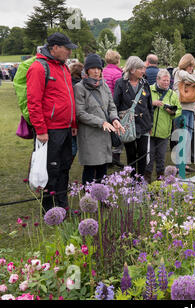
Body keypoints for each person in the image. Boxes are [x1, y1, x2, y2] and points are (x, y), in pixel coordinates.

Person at [26, 32, 78, 212]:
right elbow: (33, 101)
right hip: (50, 130)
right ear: (54, 48)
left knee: (64, 167)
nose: (69, 53)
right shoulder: (39, 68)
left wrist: (73, 124)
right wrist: (40, 129)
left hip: (65, 128)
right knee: (50, 170)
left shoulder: (63, 68)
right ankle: (49, 210)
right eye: (67, 49)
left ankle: (62, 205)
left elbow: (69, 98)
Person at [74, 54, 125, 185]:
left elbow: (111, 106)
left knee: (103, 167)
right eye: (93, 68)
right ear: (87, 70)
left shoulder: (104, 86)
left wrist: (114, 119)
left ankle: (102, 197)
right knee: (90, 168)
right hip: (89, 135)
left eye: (98, 68)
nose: (96, 71)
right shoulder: (79, 88)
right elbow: (80, 113)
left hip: (105, 134)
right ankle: (88, 200)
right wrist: (101, 122)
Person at [113, 56, 154, 181]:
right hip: (128, 125)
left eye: (143, 68)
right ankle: (132, 181)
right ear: (132, 70)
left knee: (142, 154)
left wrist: (150, 123)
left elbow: (149, 104)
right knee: (131, 154)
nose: (143, 71)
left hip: (144, 125)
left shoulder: (144, 83)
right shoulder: (120, 83)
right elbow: (116, 104)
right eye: (140, 68)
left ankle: (140, 181)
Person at [173, 53, 195, 172]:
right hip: (182, 108)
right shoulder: (180, 72)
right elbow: (189, 77)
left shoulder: (189, 75)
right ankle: (179, 165)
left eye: (192, 66)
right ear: (185, 64)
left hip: (190, 108)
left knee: (189, 136)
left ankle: (184, 163)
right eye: (190, 66)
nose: (191, 68)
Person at [147, 69, 182, 181]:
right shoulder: (149, 90)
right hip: (149, 131)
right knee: (149, 157)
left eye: (168, 81)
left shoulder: (172, 94)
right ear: (157, 79)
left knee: (161, 158)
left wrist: (173, 112)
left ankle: (160, 181)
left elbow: (179, 109)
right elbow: (142, 105)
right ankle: (145, 181)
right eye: (164, 80)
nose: (166, 83)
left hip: (164, 132)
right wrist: (152, 103)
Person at [103, 49, 125, 169]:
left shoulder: (103, 71)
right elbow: (119, 92)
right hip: (113, 107)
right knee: (117, 133)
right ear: (117, 60)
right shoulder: (117, 74)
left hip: (102, 106)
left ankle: (106, 157)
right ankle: (115, 158)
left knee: (106, 133)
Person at [69, 62, 84, 162]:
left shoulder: (68, 83)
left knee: (72, 144)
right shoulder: (81, 85)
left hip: (71, 117)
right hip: (80, 117)